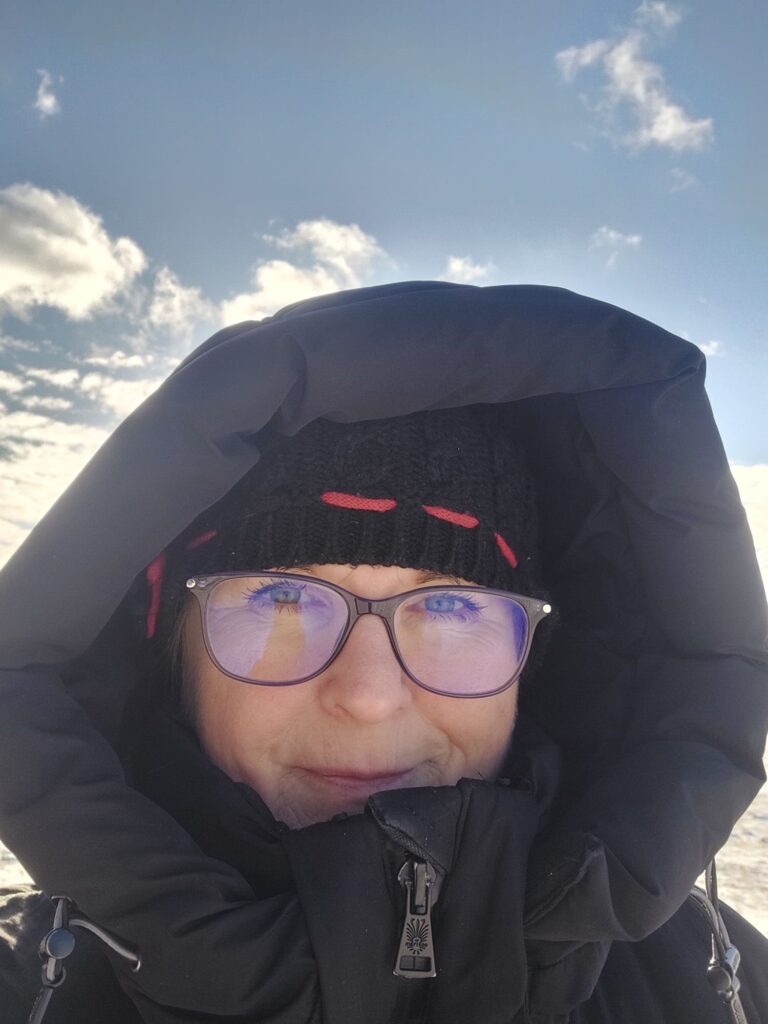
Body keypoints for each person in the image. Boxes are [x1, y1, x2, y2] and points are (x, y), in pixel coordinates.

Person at [0, 280, 767, 1024]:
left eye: (451, 606)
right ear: (173, 648)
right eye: (282, 599)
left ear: (532, 664)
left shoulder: (718, 984)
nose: (368, 696)